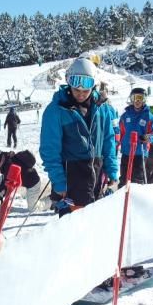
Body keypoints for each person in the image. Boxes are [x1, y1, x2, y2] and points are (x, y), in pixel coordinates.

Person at [39, 57, 118, 215]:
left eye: (86, 89)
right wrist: (59, 182)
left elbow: (109, 141)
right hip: (72, 181)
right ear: (69, 82)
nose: (81, 94)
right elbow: (50, 151)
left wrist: (112, 170)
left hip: (98, 178)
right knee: (74, 232)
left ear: (94, 85)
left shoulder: (103, 108)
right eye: (76, 89)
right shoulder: (56, 111)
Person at [118, 87, 153, 186]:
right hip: (126, 152)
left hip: (140, 153)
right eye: (135, 98)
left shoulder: (149, 117)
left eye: (140, 98)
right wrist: (117, 144)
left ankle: (135, 200)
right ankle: (122, 199)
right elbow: (120, 133)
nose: (137, 101)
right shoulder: (125, 116)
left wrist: (147, 138)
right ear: (131, 99)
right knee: (124, 179)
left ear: (144, 99)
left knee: (136, 181)